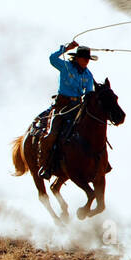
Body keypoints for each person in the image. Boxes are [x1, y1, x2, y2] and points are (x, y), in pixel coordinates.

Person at [37, 41, 97, 179]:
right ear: (77, 58)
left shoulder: (88, 75)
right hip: (62, 105)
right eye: (84, 58)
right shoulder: (66, 67)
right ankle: (45, 165)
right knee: (52, 134)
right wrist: (65, 49)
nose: (86, 61)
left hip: (78, 106)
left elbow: (88, 93)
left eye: (88, 59)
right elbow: (52, 59)